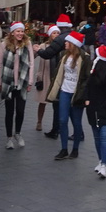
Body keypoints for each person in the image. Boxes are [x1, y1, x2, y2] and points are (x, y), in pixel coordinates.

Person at [46, 31, 90, 160]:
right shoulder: (63, 56)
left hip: (77, 94)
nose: (64, 43)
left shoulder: (85, 58)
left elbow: (87, 78)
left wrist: (84, 95)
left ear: (73, 44)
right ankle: (64, 149)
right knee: (62, 120)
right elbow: (59, 73)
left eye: (67, 41)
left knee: (76, 122)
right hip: (64, 91)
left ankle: (75, 149)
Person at [0, 22, 34, 150]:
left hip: (22, 82)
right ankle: (9, 138)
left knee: (20, 111)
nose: (20, 33)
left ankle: (18, 133)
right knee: (9, 111)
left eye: (22, 31)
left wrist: (30, 82)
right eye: (18, 31)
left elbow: (32, 63)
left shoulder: (27, 44)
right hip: (8, 82)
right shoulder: (4, 45)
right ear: (12, 32)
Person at [35, 14, 74, 139]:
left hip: (60, 74)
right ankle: (78, 132)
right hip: (72, 75)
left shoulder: (60, 39)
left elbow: (48, 54)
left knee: (57, 104)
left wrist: (38, 50)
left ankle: (56, 130)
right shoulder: (73, 37)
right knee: (71, 105)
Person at [85, 45, 106, 179]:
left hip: (98, 108)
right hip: (103, 108)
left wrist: (89, 100)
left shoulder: (101, 71)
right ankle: (102, 162)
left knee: (101, 137)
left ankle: (103, 163)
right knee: (102, 137)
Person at [33, 24, 61, 132]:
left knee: (56, 104)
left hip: (55, 77)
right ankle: (39, 121)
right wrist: (34, 49)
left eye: (58, 33)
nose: (56, 35)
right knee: (42, 102)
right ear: (50, 35)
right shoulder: (44, 46)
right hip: (44, 76)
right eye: (54, 33)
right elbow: (34, 55)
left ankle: (56, 126)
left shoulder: (60, 46)